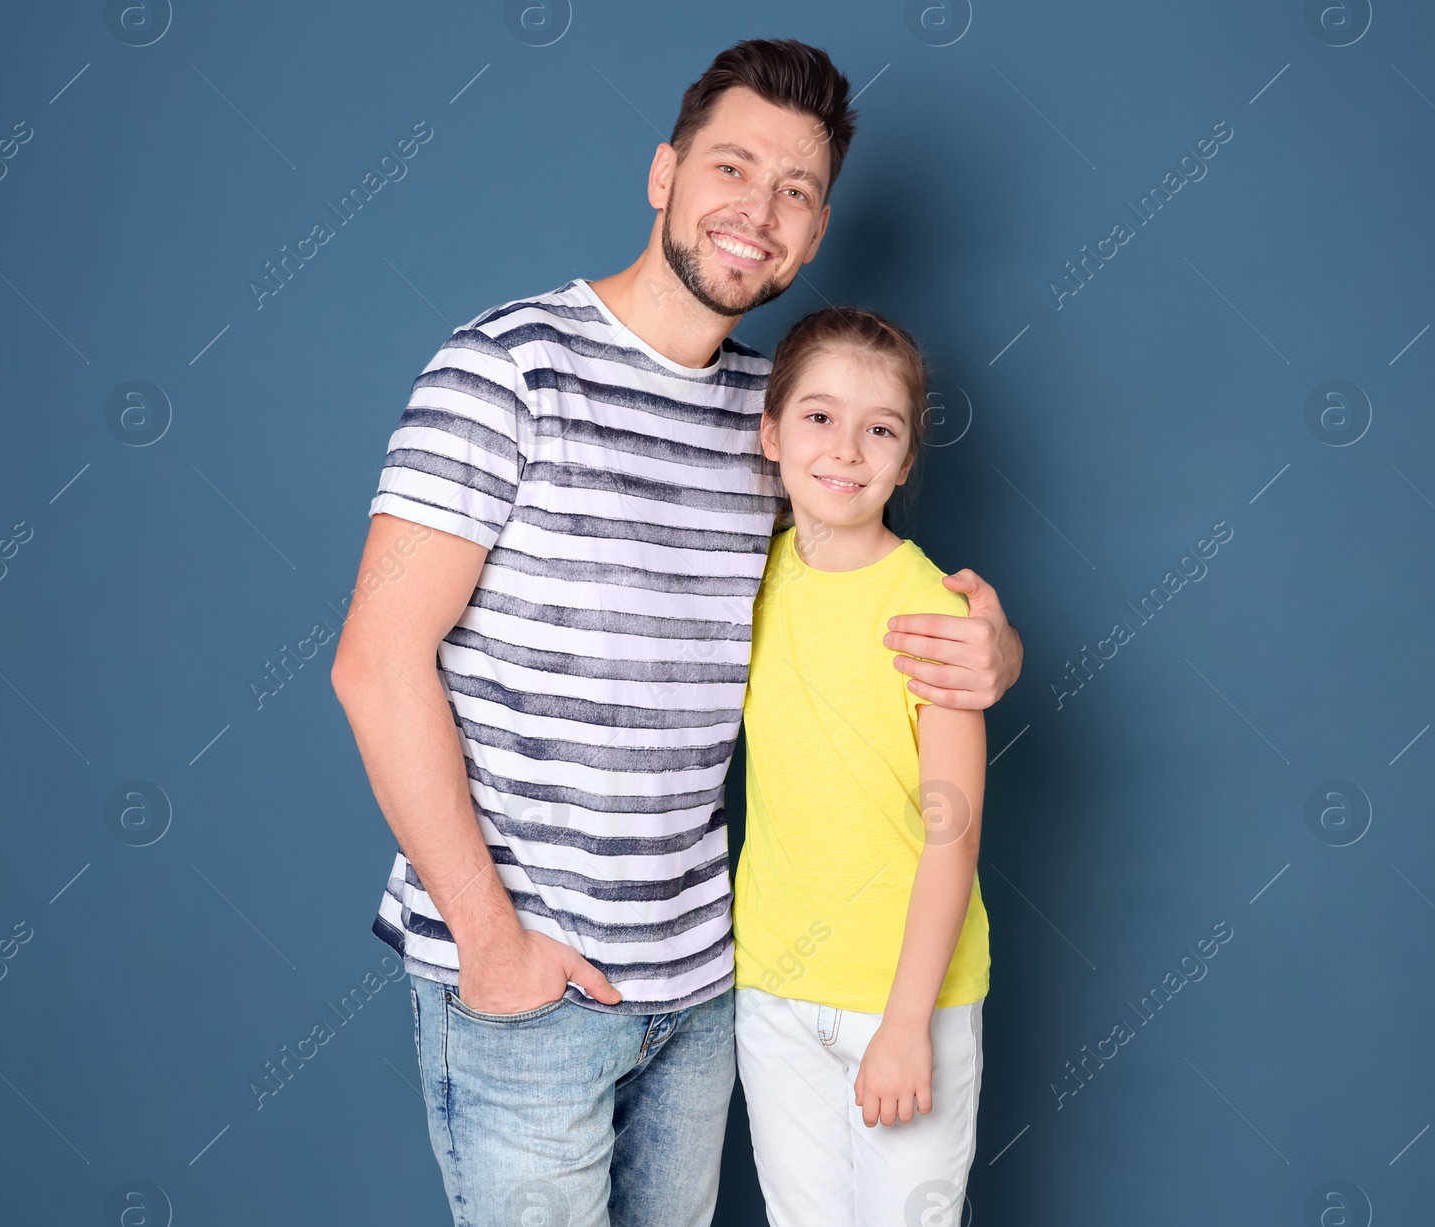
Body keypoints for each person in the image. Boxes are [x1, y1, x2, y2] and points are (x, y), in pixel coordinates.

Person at [330, 37, 1021, 1227]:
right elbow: (374, 663)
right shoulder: (501, 372)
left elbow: (848, 596)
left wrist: (986, 652)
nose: (759, 210)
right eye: (732, 168)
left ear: (814, 234)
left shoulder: (771, 424)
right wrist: (495, 951)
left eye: (796, 191)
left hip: (703, 995)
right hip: (528, 996)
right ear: (664, 175)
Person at [733, 307, 988, 1227]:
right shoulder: (745, 583)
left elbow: (951, 837)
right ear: (769, 431)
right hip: (773, 990)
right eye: (818, 417)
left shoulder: (934, 616)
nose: (846, 448)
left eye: (880, 428)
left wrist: (908, 1023)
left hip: (908, 999)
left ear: (907, 459)